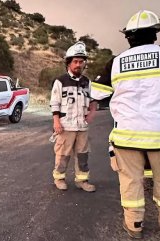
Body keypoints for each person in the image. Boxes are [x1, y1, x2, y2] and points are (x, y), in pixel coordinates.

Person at [91, 10, 160, 238]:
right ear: (155, 33)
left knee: (131, 183)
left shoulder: (116, 62)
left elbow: (98, 93)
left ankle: (134, 226)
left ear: (128, 37)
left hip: (126, 137)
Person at [50, 41, 97, 192]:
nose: (78, 64)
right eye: (75, 61)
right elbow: (55, 103)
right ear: (69, 63)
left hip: (82, 126)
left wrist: (92, 114)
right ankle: (59, 178)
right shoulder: (60, 81)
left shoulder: (87, 82)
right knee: (63, 154)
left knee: (83, 155)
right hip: (65, 125)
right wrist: (56, 122)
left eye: (81, 61)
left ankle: (82, 181)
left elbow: (92, 100)